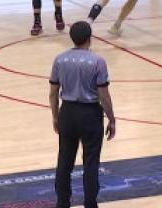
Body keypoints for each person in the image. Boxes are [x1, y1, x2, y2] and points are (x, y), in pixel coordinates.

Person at [49, 21, 116, 208]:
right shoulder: (97, 61)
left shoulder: (60, 59)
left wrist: (55, 116)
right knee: (91, 163)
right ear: (89, 38)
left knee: (64, 162)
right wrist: (111, 119)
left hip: (68, 112)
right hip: (90, 114)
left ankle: (62, 203)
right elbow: (104, 95)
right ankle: (90, 204)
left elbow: (53, 93)